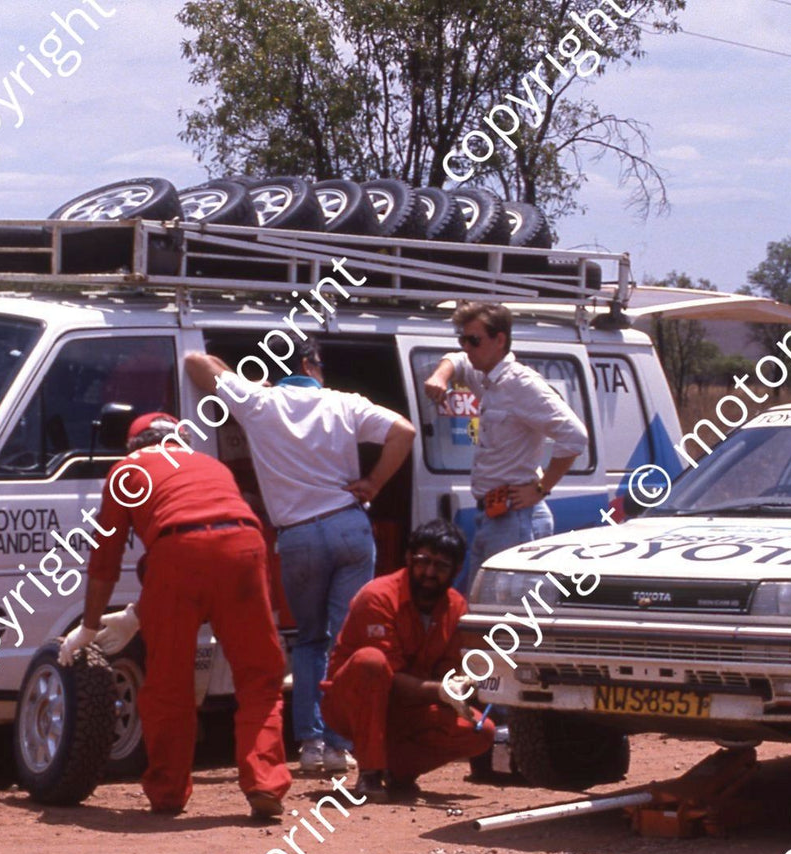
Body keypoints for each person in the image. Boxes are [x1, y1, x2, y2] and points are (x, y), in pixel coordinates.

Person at [185, 341, 417, 775]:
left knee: (310, 640)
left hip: (298, 538)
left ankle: (310, 744)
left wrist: (242, 380)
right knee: (345, 640)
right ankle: (340, 744)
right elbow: (403, 431)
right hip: (349, 526)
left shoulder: (258, 402)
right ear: (311, 366)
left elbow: (196, 363)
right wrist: (373, 483)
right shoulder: (343, 403)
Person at [58, 413, 291, 819]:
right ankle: (265, 783)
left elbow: (105, 561)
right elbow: (213, 541)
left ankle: (167, 791)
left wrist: (89, 626)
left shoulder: (127, 470)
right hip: (245, 546)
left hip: (178, 551)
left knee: (168, 683)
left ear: (134, 445)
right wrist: (137, 614)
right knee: (260, 678)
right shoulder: (211, 465)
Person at [320, 520, 494, 802]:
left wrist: (462, 683)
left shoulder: (456, 607)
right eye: (423, 561)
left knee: (481, 732)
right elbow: (385, 675)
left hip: (409, 707)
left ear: (457, 570)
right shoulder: (377, 596)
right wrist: (439, 690)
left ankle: (398, 770)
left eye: (441, 566)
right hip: (352, 704)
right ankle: (371, 773)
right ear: (409, 559)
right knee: (371, 662)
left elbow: (450, 671)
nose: (429, 572)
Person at [421, 302, 589, 589]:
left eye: (474, 340)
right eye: (463, 339)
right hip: (493, 516)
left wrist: (541, 488)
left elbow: (575, 436)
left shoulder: (521, 384)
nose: (467, 347)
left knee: (507, 619)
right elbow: (457, 360)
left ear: (500, 340)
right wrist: (440, 375)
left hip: (516, 518)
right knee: (481, 613)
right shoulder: (487, 378)